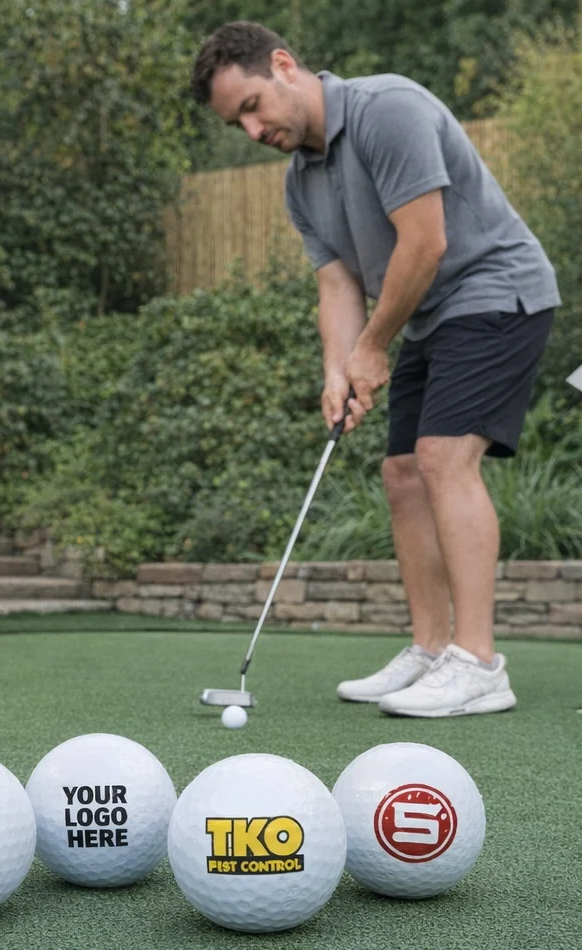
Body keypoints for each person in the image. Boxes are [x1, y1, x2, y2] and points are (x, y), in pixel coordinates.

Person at [190, 22, 560, 717]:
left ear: (283, 65)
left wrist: (372, 347)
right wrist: (338, 369)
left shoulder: (388, 109)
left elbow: (425, 242)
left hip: (496, 290)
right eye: (236, 123)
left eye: (252, 107)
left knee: (443, 458)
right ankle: (431, 648)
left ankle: (480, 663)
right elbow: (338, 284)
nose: (252, 130)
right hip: (427, 312)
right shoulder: (300, 184)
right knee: (402, 473)